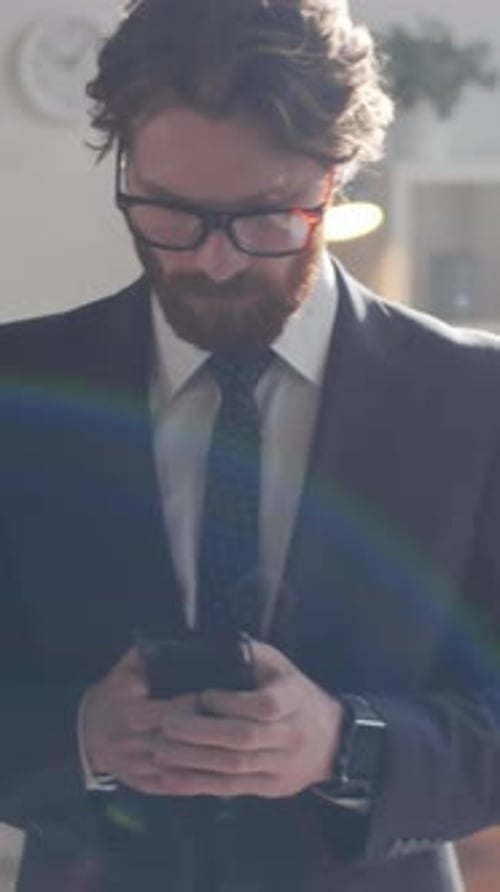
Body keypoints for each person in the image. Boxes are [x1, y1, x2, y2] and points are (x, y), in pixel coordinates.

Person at [1, 1, 500, 890]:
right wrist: (79, 734)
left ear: (337, 176)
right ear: (124, 163)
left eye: (267, 217)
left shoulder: (477, 399)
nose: (218, 261)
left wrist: (348, 745)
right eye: (170, 214)